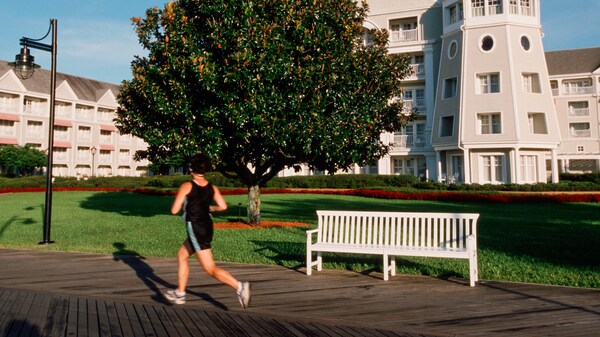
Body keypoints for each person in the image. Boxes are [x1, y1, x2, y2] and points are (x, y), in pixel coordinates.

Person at [164, 153, 251, 308]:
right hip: (207, 226)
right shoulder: (212, 187)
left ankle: (240, 287)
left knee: (210, 268)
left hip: (196, 228)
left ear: (191, 168)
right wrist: (210, 207)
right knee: (181, 255)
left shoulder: (187, 186)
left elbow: (174, 210)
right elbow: (223, 206)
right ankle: (180, 293)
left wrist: (186, 205)